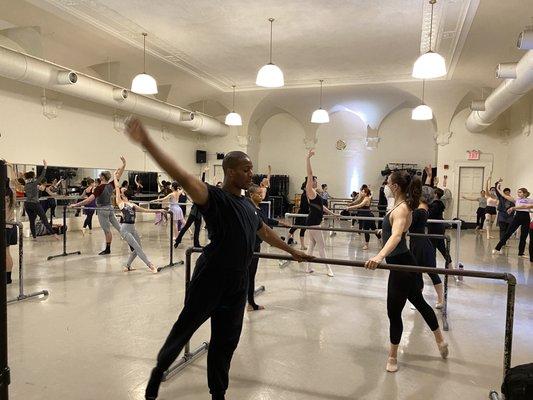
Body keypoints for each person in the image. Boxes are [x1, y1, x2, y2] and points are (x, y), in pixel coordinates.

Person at [123, 116, 311, 400]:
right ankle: (159, 371)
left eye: (252, 170)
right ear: (230, 172)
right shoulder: (214, 198)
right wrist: (147, 141)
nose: (252, 175)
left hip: (237, 281)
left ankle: (218, 394)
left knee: (226, 342)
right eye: (246, 170)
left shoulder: (248, 204)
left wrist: (291, 250)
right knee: (185, 327)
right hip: (211, 277)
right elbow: (183, 176)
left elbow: (264, 232)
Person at [365, 171, 448, 373]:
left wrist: (379, 256)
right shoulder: (397, 206)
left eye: (388, 182)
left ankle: (392, 357)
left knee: (393, 312)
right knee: (418, 301)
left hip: (402, 266)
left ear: (395, 187)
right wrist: (381, 232)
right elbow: (391, 232)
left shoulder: (402, 208)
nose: (385, 185)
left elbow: (396, 236)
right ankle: (440, 341)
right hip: (402, 262)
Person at [69, 157, 126, 255]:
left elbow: (88, 200)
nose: (99, 176)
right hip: (110, 208)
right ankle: (131, 244)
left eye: (100, 175)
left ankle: (108, 249)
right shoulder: (111, 185)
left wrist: (76, 205)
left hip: (102, 210)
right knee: (119, 228)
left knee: (107, 230)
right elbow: (119, 175)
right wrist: (124, 164)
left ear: (103, 177)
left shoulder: (99, 188)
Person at [246, 184, 290, 311]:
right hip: (250, 246)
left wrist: (280, 223)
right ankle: (249, 302)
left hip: (256, 245)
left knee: (251, 274)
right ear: (251, 195)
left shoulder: (259, 208)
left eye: (261, 193)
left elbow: (266, 221)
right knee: (247, 274)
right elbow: (263, 229)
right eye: (258, 194)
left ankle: (250, 301)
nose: (261, 195)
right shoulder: (249, 208)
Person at [113, 172, 160, 273]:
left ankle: (127, 265)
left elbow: (145, 210)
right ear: (121, 193)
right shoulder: (120, 203)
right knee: (137, 248)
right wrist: (114, 176)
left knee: (137, 248)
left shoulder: (132, 204)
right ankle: (150, 265)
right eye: (123, 189)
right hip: (125, 229)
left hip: (132, 228)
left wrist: (158, 211)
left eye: (125, 189)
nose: (124, 189)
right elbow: (117, 187)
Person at [409, 189, 444, 308]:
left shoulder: (420, 210)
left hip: (421, 245)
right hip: (416, 243)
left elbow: (409, 225)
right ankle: (419, 300)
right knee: (417, 273)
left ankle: (441, 299)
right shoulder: (422, 208)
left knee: (431, 272)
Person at [304, 150, 334, 277]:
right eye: (314, 180)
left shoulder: (316, 194)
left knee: (312, 245)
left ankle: (308, 267)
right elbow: (310, 174)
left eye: (315, 180)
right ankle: (328, 269)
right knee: (321, 246)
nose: (315, 181)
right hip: (313, 222)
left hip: (314, 221)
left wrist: (333, 214)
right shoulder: (310, 191)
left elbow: (322, 208)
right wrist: (308, 158)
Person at [173, 166, 210, 249]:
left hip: (199, 214)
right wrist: (204, 172)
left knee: (197, 229)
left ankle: (196, 244)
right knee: (186, 227)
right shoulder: (199, 192)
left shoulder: (206, 195)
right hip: (194, 213)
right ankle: (177, 241)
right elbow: (202, 181)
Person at [493, 183, 532, 258]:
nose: (518, 193)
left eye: (520, 192)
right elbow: (504, 195)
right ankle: (497, 248)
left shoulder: (530, 200)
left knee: (524, 236)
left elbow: (528, 207)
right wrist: (497, 188)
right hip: (517, 217)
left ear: (525, 193)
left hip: (526, 217)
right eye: (518, 192)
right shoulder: (516, 200)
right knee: (508, 233)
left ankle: (521, 253)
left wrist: (529, 211)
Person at [424, 166, 452, 268]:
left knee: (435, 248)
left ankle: (433, 267)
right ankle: (449, 266)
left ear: (435, 194)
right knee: (440, 248)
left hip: (436, 228)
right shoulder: (438, 202)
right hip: (437, 227)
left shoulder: (436, 204)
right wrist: (435, 182)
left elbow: (429, 214)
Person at [23, 161, 59, 240]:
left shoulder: (26, 185)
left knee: (32, 221)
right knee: (44, 219)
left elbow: (41, 188)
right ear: (32, 177)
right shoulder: (35, 183)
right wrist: (45, 166)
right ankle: (54, 234)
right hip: (35, 204)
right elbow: (42, 175)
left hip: (27, 204)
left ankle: (34, 237)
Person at [286, 179, 310, 250]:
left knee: (300, 228)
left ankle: (301, 244)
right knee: (297, 227)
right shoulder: (304, 195)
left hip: (304, 214)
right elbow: (305, 206)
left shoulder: (306, 195)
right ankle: (289, 241)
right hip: (302, 214)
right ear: (305, 188)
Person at [4, 162, 17, 284]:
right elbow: (14, 181)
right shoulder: (12, 192)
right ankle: (7, 277)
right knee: (7, 252)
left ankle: (7, 279)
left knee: (6, 253)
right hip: (11, 226)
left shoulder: (4, 196)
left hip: (5, 227)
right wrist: (10, 167)